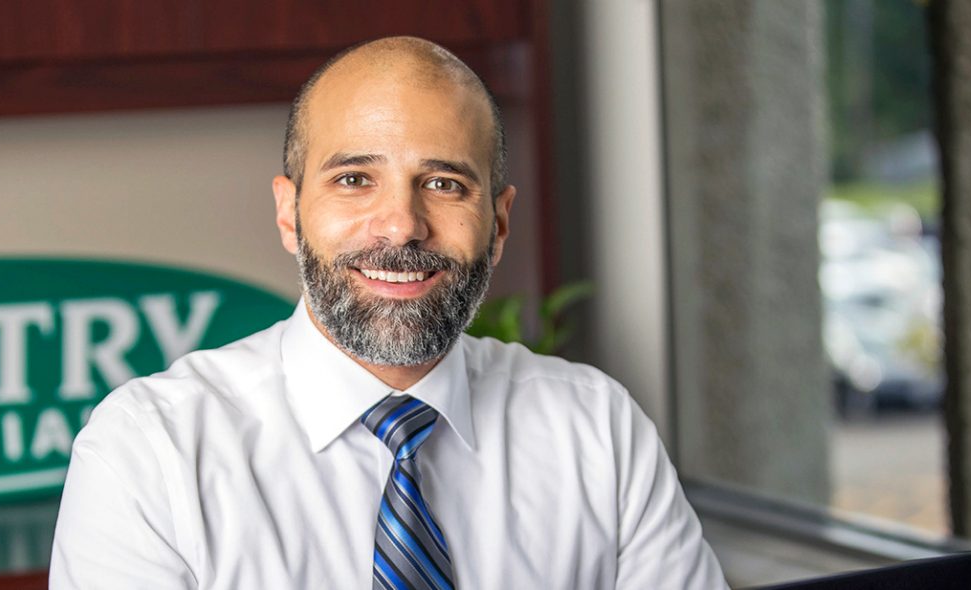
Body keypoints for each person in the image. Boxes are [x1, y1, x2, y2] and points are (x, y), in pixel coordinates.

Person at [50, 36, 727, 589]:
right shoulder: (151, 452)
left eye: (443, 183)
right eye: (353, 180)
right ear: (289, 212)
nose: (401, 226)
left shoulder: (596, 430)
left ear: (497, 222)